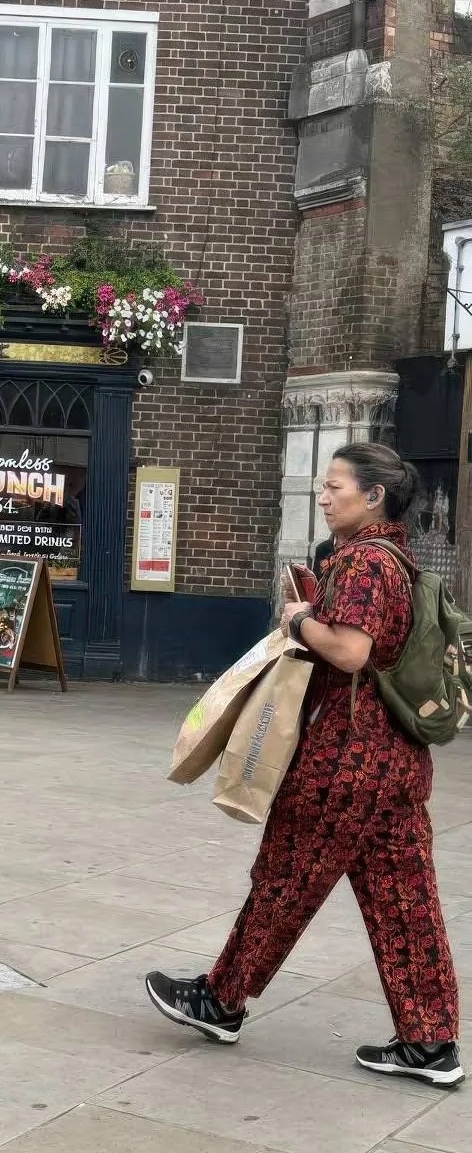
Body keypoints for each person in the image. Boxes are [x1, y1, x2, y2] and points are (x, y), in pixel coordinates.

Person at [146, 442, 462, 1088]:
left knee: (284, 879)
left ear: (373, 496)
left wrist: (300, 618)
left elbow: (350, 651)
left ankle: (220, 1001)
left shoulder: (365, 561)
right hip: (396, 762)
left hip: (344, 760)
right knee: (406, 902)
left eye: (335, 486)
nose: (324, 496)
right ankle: (430, 1042)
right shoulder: (399, 561)